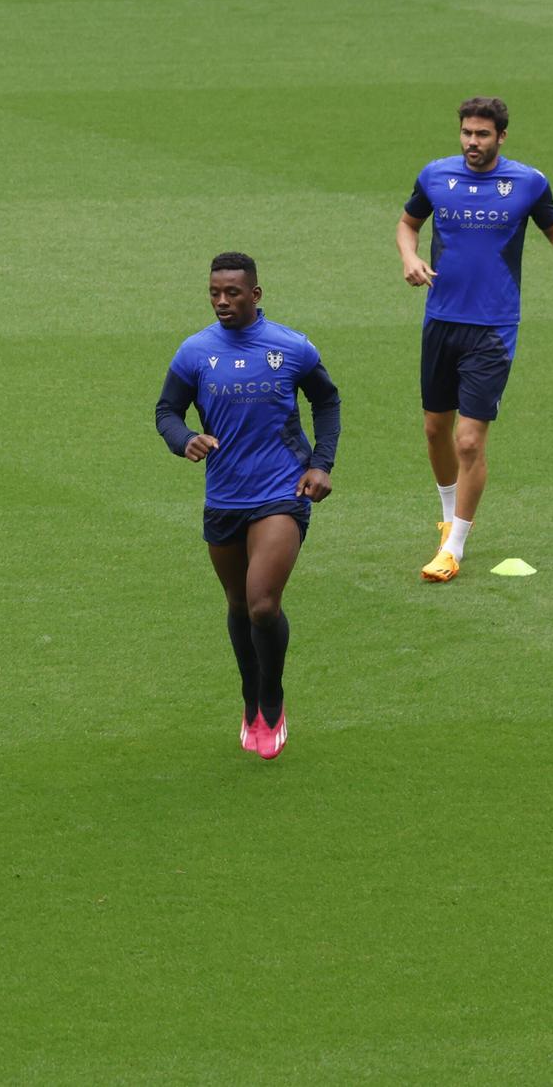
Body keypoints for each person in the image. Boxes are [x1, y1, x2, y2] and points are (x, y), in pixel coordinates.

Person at [156, 253, 341, 761]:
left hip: (282, 492)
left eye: (232, 293)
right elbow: (166, 410)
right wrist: (185, 439)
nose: (221, 301)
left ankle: (272, 698)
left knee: (262, 603)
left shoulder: (291, 346)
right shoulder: (196, 352)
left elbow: (326, 401)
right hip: (224, 498)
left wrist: (321, 463)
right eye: (214, 292)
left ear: (255, 295)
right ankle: (248, 697)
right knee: (238, 605)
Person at [397, 96, 553, 582]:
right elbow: (407, 223)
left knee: (469, 440)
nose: (472, 143)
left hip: (493, 328)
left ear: (501, 136)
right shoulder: (436, 176)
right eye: (466, 133)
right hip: (441, 320)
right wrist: (409, 258)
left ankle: (454, 546)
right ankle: (446, 515)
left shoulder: (528, 182)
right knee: (435, 429)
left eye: (482, 134)